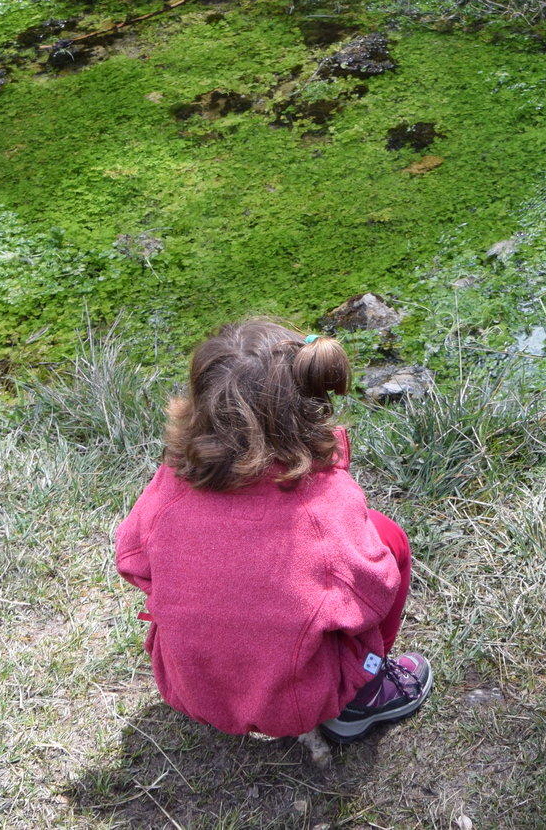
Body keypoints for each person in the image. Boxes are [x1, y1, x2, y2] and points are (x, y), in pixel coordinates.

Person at [114, 317, 432, 741]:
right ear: (309, 404)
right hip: (295, 702)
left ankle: (227, 683)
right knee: (389, 538)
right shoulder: (324, 502)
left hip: (190, 687)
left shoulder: (171, 481)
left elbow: (132, 559)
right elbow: (373, 593)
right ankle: (365, 693)